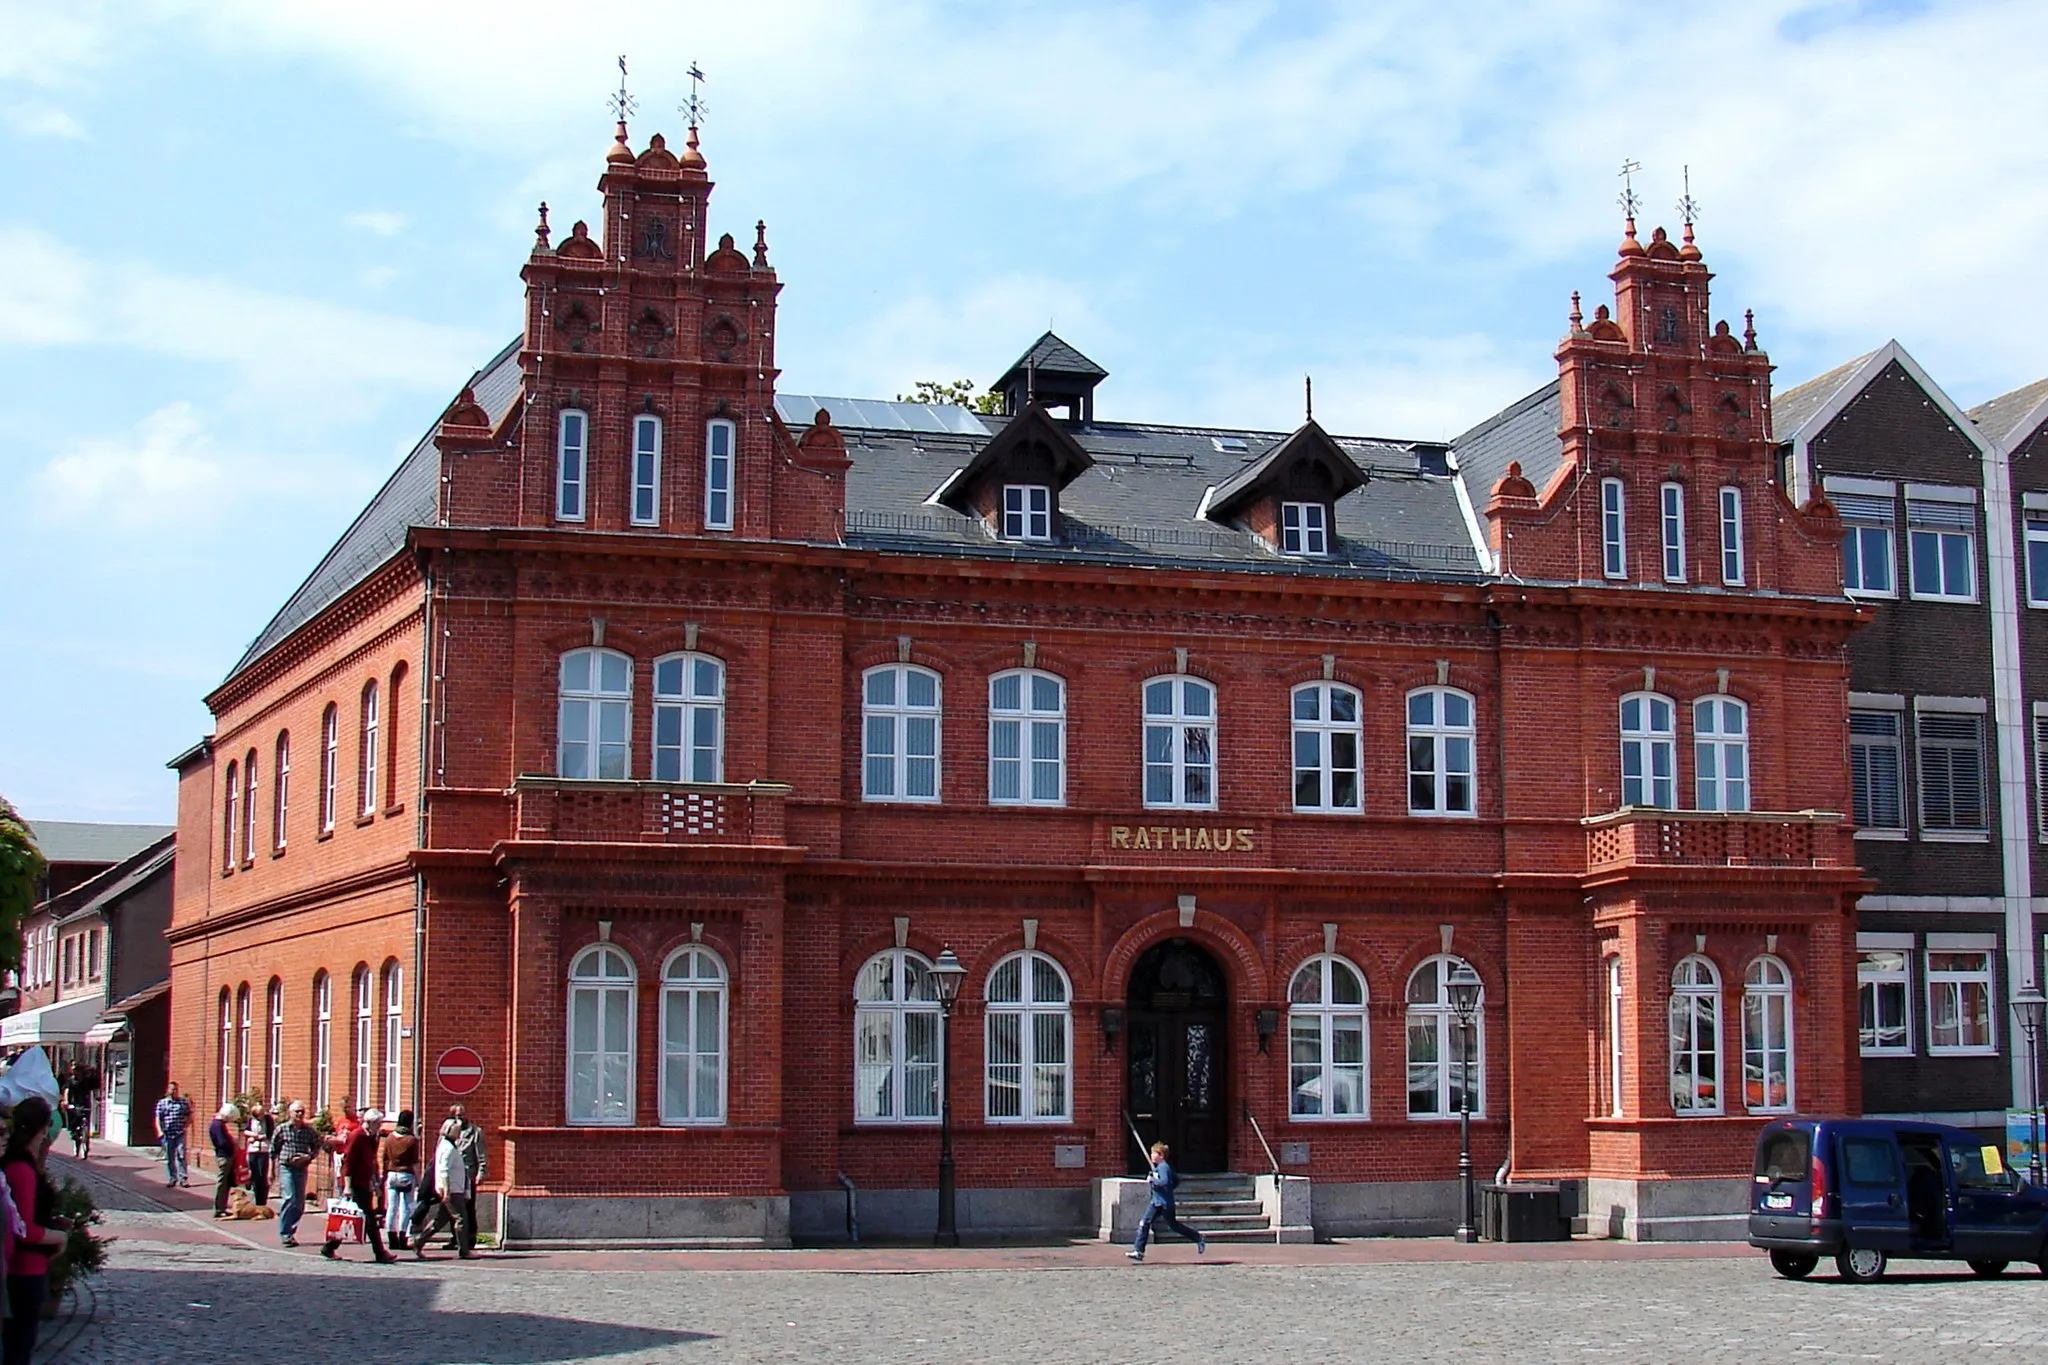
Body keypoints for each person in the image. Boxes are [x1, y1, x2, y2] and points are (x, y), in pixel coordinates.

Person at [2, 1098, 75, 1365]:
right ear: (44, 1128)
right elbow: (24, 1229)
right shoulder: (20, 1168)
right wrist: (59, 1238)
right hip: (23, 1270)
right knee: (18, 1347)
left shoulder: (27, 1164)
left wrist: (53, 1222)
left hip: (30, 1268)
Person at [321, 1106, 392, 1264]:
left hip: (364, 1182)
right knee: (367, 1218)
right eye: (378, 1124)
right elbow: (348, 1162)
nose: (379, 1127)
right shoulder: (357, 1136)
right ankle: (380, 1253)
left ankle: (330, 1247)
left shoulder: (372, 1137)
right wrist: (347, 1186)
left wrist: (375, 1182)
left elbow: (372, 1161)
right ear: (370, 1123)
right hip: (354, 1183)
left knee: (356, 1217)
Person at [1127, 1141, 1205, 1263]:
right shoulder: (1160, 1168)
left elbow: (1165, 1181)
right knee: (1144, 1223)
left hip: (1164, 1203)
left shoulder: (1164, 1167)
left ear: (1161, 1155)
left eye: (1154, 1153)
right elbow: (1176, 1180)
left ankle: (1197, 1237)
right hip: (1156, 1202)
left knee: (1174, 1225)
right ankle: (1139, 1250)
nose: (1151, 1155)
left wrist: (1153, 1180)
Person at [420, 1110, 474, 1259]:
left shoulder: (448, 1145)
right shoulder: (448, 1148)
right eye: (457, 1131)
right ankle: (464, 1250)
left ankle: (419, 1241)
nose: (459, 1134)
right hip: (452, 1190)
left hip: (454, 1188)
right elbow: (443, 1170)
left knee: (440, 1221)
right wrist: (447, 1191)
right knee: (461, 1219)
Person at [273, 1101, 321, 1247]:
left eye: (302, 1112)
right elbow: (274, 1149)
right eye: (296, 1112)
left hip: (301, 1168)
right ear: (290, 1113)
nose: (299, 1114)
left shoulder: (309, 1131)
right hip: (286, 1167)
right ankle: (285, 1233)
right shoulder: (282, 1129)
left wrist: (309, 1156)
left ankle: (291, 1231)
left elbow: (317, 1145)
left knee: (299, 1203)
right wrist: (271, 1171)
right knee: (290, 1198)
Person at [379, 1110, 420, 1250]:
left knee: (391, 1207)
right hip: (406, 1175)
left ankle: (391, 1237)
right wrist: (418, 1179)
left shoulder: (390, 1137)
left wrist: (383, 1175)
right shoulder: (411, 1140)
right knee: (405, 1208)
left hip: (391, 1174)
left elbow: (385, 1158)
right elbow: (415, 1162)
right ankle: (403, 1237)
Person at [153, 1081, 192, 1188]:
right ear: (168, 1090)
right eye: (172, 1089)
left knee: (181, 1155)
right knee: (170, 1157)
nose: (173, 1091)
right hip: (167, 1134)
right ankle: (172, 1178)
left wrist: (185, 1127)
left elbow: (189, 1115)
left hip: (179, 1133)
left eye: (175, 1089)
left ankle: (183, 1179)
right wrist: (160, 1131)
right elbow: (158, 1118)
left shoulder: (183, 1103)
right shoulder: (162, 1103)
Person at [208, 1104, 241, 1218]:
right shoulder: (218, 1125)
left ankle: (221, 1207)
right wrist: (232, 1142)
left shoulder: (218, 1124)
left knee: (226, 1182)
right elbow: (222, 1142)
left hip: (224, 1155)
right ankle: (219, 1208)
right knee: (222, 1183)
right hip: (224, 1156)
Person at [61, 1063, 97, 1160]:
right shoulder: (71, 1081)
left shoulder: (86, 1080)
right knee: (74, 1125)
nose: (78, 1073)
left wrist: (93, 1073)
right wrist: (66, 1101)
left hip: (85, 1104)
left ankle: (86, 1144)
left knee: (86, 1125)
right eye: (76, 1071)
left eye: (79, 1071)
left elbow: (94, 1086)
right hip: (74, 1104)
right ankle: (75, 1138)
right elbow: (67, 1091)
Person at [243, 1101, 274, 1208]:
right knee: (255, 1175)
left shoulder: (268, 1120)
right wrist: (252, 1135)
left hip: (264, 1150)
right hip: (253, 1149)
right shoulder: (251, 1120)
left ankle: (262, 1201)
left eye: (262, 1113)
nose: (261, 1116)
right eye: (259, 1115)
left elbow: (271, 1133)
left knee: (262, 1175)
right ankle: (257, 1200)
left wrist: (262, 1136)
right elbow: (245, 1131)